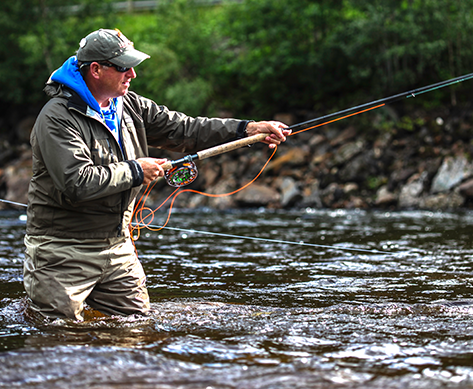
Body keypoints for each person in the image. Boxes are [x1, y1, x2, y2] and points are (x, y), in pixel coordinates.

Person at [24, 28, 290, 320]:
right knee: (55, 336)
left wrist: (246, 129)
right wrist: (138, 170)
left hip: (116, 245)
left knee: (135, 329)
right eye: (124, 67)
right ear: (96, 70)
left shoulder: (130, 106)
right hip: (61, 250)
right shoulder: (56, 118)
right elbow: (78, 182)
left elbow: (186, 129)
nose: (132, 75)